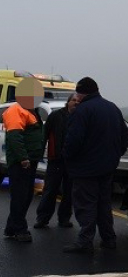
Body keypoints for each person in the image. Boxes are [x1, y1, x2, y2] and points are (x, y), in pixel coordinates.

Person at [62, 77, 128, 253]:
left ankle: (85, 241)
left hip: (85, 169)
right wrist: (115, 156)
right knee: (104, 205)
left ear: (81, 93)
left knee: (86, 205)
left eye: (77, 93)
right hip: (107, 167)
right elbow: (124, 136)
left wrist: (67, 158)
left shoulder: (82, 111)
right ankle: (108, 239)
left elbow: (73, 140)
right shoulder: (112, 108)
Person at [2, 77, 45, 242]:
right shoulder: (16, 110)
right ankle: (20, 229)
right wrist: (23, 158)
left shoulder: (31, 109)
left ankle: (11, 228)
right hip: (21, 163)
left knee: (25, 195)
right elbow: (14, 137)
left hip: (29, 161)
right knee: (20, 196)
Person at [34, 93, 79, 229]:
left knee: (69, 192)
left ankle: (64, 219)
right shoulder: (56, 116)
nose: (76, 103)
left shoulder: (80, 118)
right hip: (56, 160)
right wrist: (40, 154)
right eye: (73, 100)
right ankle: (42, 219)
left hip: (72, 161)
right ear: (68, 102)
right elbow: (45, 135)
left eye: (78, 101)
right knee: (50, 190)